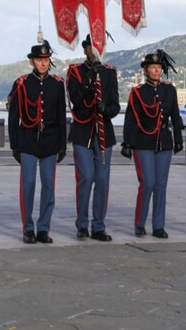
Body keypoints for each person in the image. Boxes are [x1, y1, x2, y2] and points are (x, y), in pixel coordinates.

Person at [8, 41, 67, 245]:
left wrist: (62, 145)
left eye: (46, 59)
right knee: (28, 185)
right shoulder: (21, 83)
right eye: (39, 60)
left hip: (50, 141)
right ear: (32, 61)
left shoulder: (58, 84)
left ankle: (43, 228)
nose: (43, 63)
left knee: (49, 186)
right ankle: (28, 228)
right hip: (28, 140)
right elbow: (13, 116)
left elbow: (61, 116)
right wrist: (14, 145)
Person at [121, 49, 184, 239]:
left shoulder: (169, 89)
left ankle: (158, 226)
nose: (156, 71)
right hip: (143, 141)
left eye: (158, 67)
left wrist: (178, 139)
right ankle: (140, 223)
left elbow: (175, 115)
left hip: (164, 141)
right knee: (147, 183)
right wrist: (127, 143)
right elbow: (130, 119)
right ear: (146, 70)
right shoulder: (138, 92)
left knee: (160, 186)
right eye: (152, 68)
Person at [66, 34, 121, 242]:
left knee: (102, 180)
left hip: (104, 133)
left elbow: (115, 105)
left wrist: (106, 109)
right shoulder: (76, 72)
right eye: (93, 46)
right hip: (82, 132)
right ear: (86, 49)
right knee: (86, 177)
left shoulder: (109, 73)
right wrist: (90, 83)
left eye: (100, 46)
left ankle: (98, 226)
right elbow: (75, 100)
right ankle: (82, 223)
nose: (97, 50)